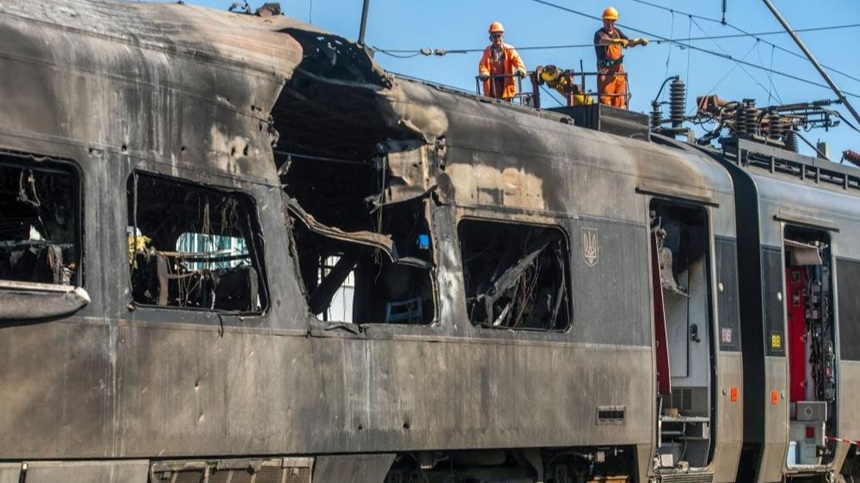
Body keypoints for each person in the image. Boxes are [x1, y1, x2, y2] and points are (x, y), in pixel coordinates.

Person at [594, 7, 647, 109]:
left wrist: (638, 42)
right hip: (606, 71)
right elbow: (603, 41)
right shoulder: (599, 34)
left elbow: (628, 42)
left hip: (619, 71)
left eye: (613, 22)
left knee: (620, 98)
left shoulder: (617, 32)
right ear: (603, 20)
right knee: (605, 100)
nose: (610, 24)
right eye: (608, 21)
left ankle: (619, 118)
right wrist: (616, 41)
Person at [478, 21, 527, 101]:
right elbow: (482, 64)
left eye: (499, 36)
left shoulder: (509, 49)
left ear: (502, 37)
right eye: (494, 36)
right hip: (492, 86)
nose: (497, 39)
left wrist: (521, 69)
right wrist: (484, 73)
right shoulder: (487, 51)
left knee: (505, 103)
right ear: (490, 38)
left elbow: (517, 60)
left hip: (506, 84)